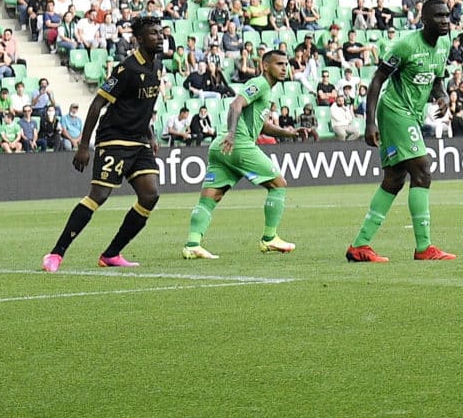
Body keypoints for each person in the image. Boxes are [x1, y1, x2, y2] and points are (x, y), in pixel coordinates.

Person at [46, 14, 169, 270]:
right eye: (154, 33)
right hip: (114, 138)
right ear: (139, 39)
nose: (160, 36)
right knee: (99, 195)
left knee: (150, 195)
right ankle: (56, 254)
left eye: (160, 32)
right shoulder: (126, 69)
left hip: (139, 141)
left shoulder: (156, 66)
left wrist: (151, 134)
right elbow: (97, 104)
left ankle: (111, 254)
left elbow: (141, 106)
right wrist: (83, 146)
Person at [345, 0, 463, 263]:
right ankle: (424, 247)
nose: (445, 20)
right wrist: (369, 122)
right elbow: (377, 79)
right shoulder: (405, 45)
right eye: (438, 16)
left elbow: (437, 79)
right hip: (394, 111)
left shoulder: (444, 45)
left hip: (412, 114)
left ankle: (360, 245)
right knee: (422, 170)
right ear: (424, 19)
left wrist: (442, 95)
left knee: (395, 179)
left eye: (447, 16)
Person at [179, 48, 295, 258]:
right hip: (237, 143)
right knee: (279, 184)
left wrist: (288, 133)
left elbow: (261, 126)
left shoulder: (266, 91)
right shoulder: (259, 83)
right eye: (279, 64)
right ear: (265, 65)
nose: (284, 68)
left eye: (286, 64)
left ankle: (192, 244)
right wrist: (232, 134)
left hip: (220, 148)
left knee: (210, 198)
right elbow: (235, 104)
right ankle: (269, 238)